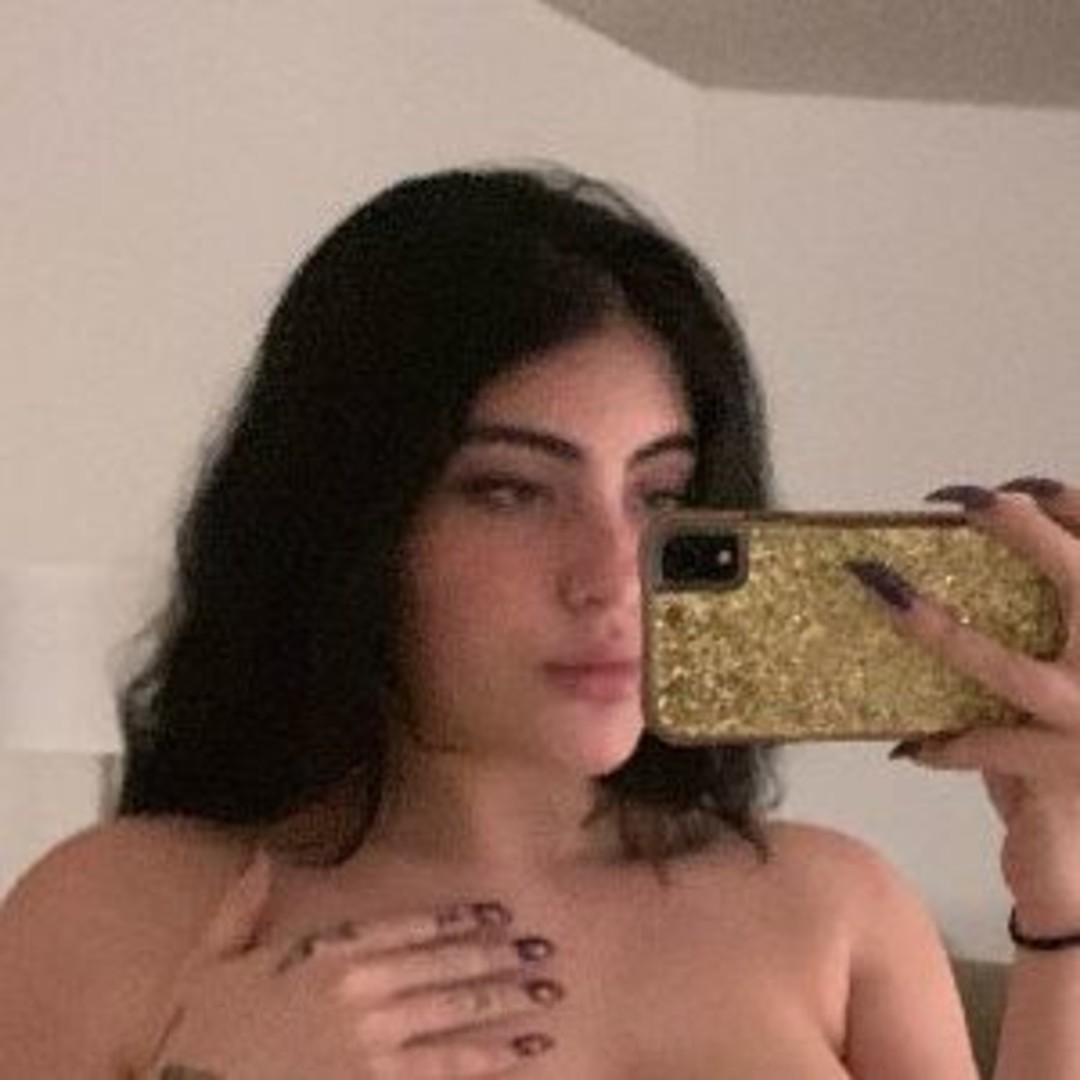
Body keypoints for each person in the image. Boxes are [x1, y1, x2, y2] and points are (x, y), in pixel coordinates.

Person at [0, 166, 1078, 1079]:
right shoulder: (118, 912)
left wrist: (1065, 901)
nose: (613, 577)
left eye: (658, 495)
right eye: (510, 490)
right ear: (349, 516)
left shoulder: (835, 910)